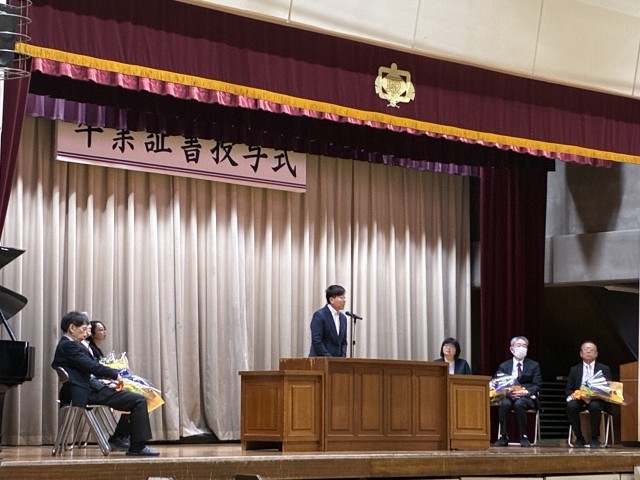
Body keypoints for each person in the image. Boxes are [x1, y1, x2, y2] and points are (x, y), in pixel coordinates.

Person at [51, 311, 160, 456]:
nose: (86, 333)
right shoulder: (70, 346)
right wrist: (115, 375)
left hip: (86, 389)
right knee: (138, 400)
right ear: (72, 328)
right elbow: (91, 366)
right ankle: (136, 446)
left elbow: (89, 368)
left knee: (134, 397)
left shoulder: (68, 345)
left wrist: (107, 381)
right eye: (83, 329)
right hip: (86, 392)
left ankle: (121, 439)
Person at [494, 336, 542, 448]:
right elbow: (497, 383)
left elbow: (537, 384)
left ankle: (523, 436)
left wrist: (526, 392)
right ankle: (503, 436)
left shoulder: (534, 365)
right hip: (509, 395)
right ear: (512, 349)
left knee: (519, 404)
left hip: (527, 397)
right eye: (519, 345)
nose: (522, 348)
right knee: (504, 404)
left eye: (524, 346)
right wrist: (507, 391)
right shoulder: (504, 366)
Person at [565, 340, 611, 448]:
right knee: (571, 406)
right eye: (586, 349)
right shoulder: (574, 369)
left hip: (597, 399)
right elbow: (569, 389)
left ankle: (595, 438)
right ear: (581, 354)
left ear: (596, 354)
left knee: (595, 406)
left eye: (591, 350)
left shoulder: (604, 368)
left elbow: (608, 388)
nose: (588, 351)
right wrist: (574, 395)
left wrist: (594, 395)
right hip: (580, 399)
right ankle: (579, 437)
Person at [308, 285, 348, 357]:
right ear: (331, 300)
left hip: (337, 362)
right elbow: (317, 341)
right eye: (341, 297)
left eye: (344, 297)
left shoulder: (343, 318)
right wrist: (329, 358)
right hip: (320, 360)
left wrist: (342, 358)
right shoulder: (319, 315)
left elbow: (344, 342)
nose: (344, 300)